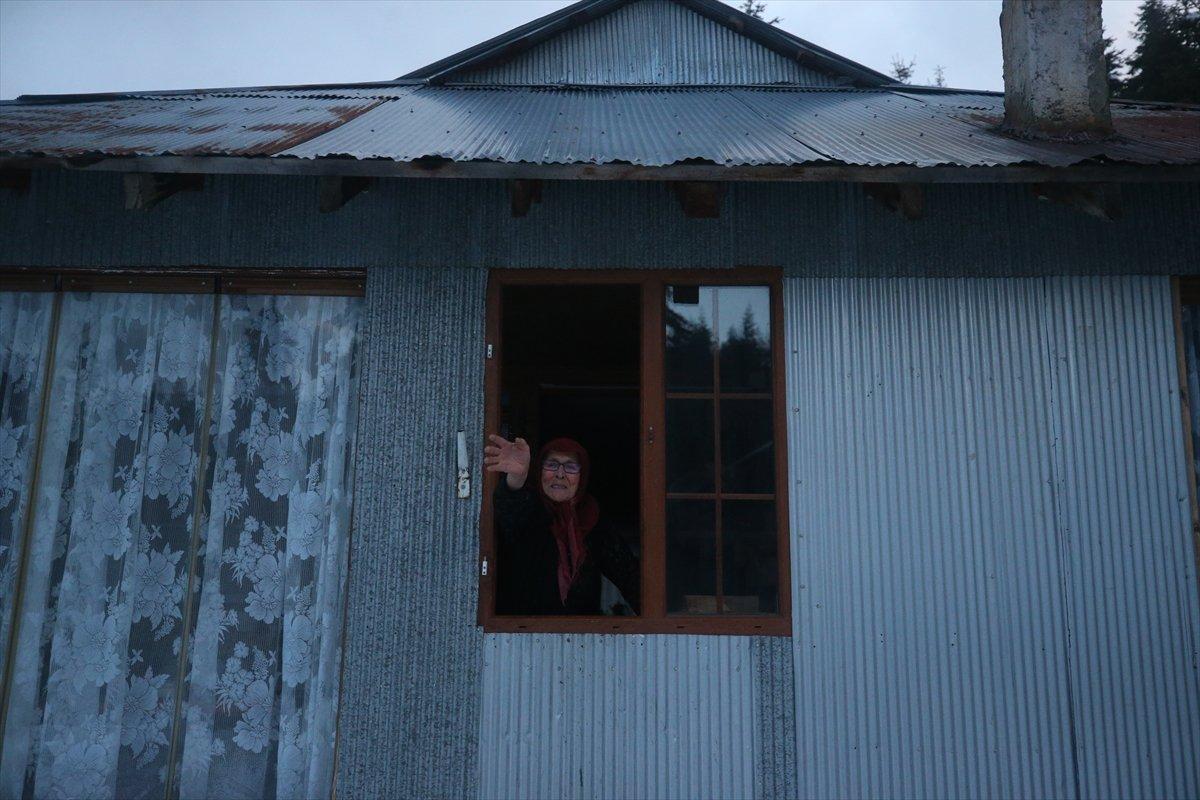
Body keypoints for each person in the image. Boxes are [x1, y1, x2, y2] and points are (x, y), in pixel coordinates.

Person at [484, 434, 640, 615]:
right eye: (551, 465)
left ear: (582, 475)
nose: (560, 474)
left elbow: (630, 576)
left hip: (582, 637)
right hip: (521, 635)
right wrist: (516, 479)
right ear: (539, 470)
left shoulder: (591, 519)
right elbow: (508, 508)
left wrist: (665, 614)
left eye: (571, 467)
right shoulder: (528, 509)